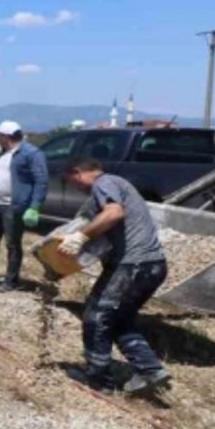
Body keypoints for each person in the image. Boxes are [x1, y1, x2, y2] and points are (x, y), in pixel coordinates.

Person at [58, 158, 171, 395]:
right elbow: (103, 238)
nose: (78, 188)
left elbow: (114, 213)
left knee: (96, 316)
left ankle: (98, 380)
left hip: (132, 266)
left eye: (74, 183)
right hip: (153, 265)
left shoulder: (104, 182)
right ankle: (150, 369)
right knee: (119, 319)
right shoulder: (119, 184)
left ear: (77, 172)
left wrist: (80, 236)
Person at [0, 121, 49, 292]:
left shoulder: (32, 154)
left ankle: (11, 280)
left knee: (12, 245)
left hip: (14, 206)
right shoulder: (4, 152)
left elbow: (41, 182)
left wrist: (34, 207)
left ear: (5, 136)